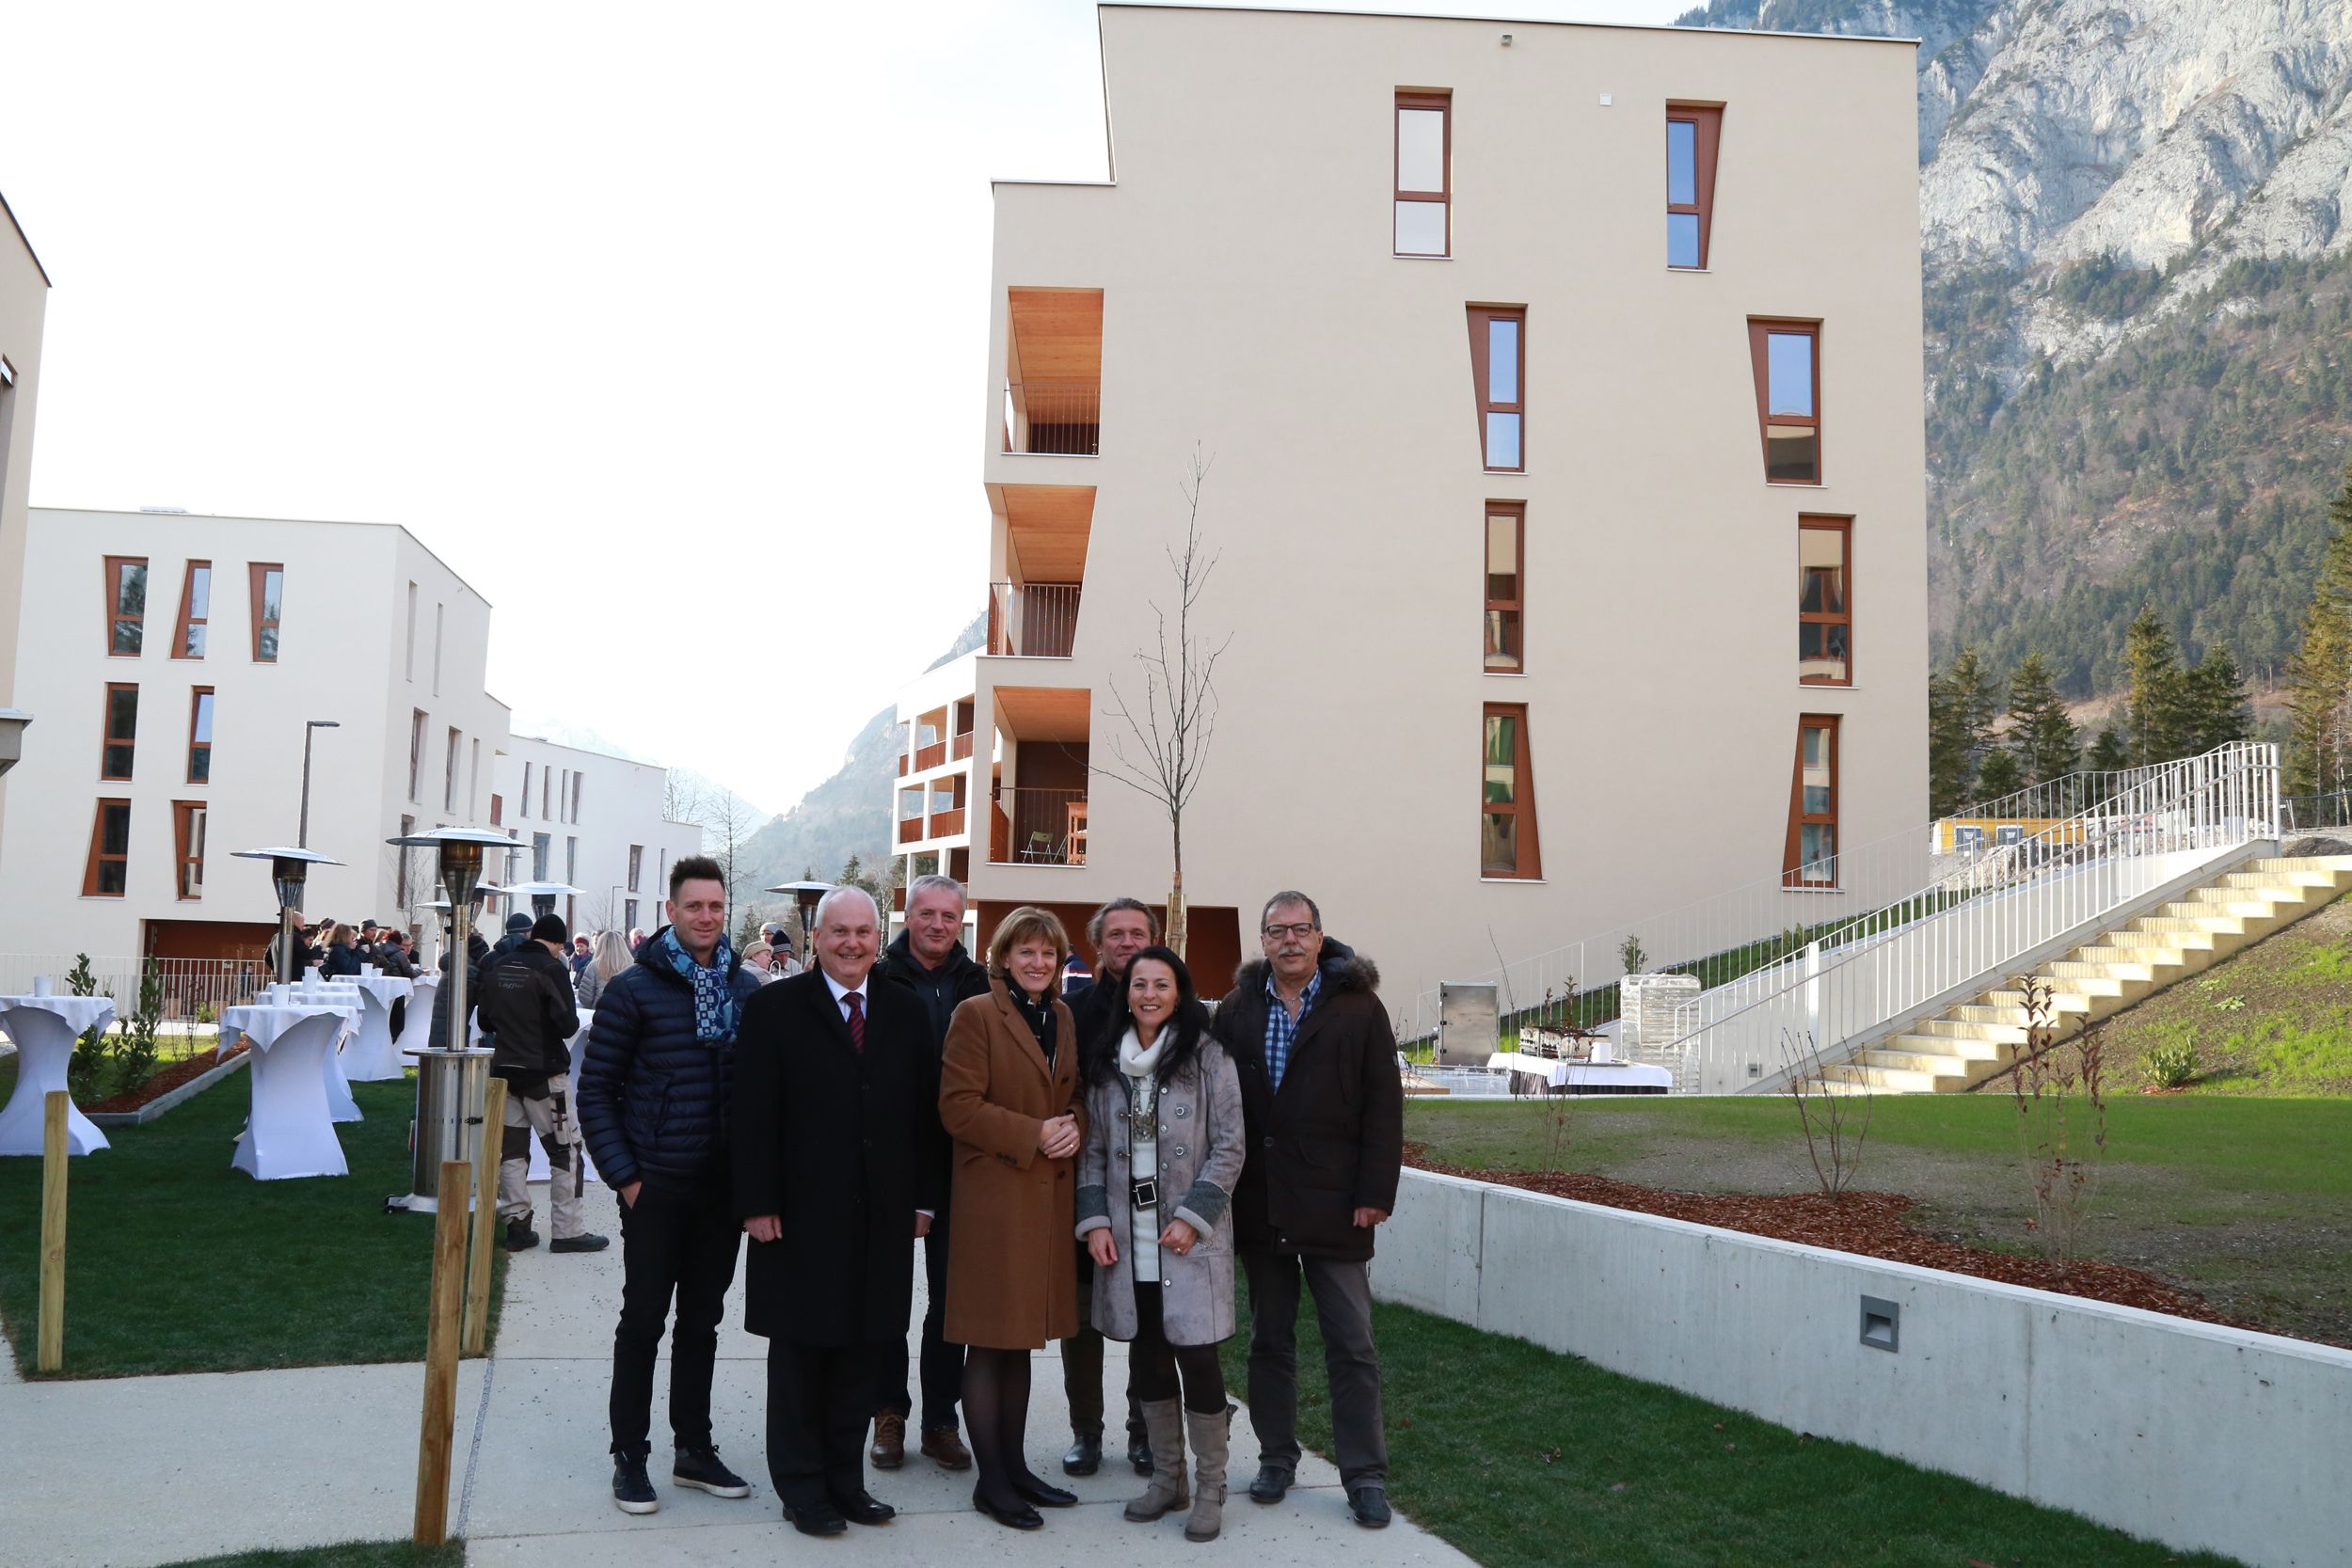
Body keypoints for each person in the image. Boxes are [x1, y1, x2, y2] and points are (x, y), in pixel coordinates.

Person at [734, 886, 948, 1536]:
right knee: (802, 1356)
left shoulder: (906, 1011)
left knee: (862, 1351)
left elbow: (924, 1117)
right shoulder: (774, 1008)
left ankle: (845, 1481)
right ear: (817, 937)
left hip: (880, 1216)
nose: (853, 942)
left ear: (878, 936)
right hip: (797, 1215)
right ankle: (803, 1489)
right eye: (839, 931)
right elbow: (750, 1113)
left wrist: (921, 1199)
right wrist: (757, 1203)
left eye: (864, 931)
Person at [577, 856, 763, 1516]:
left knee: (703, 1322)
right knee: (643, 1321)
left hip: (720, 1190)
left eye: (716, 906)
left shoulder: (746, 987)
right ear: (672, 911)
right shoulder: (634, 990)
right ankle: (630, 1454)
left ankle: (694, 1448)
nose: (707, 917)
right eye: (695, 906)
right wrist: (626, 1179)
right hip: (655, 1186)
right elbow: (596, 1090)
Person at [1211, 892, 1403, 1529]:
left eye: (1301, 929)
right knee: (1270, 1340)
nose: (1289, 939)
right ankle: (1275, 1456)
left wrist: (1375, 1192)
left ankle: (1365, 1475)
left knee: (1352, 1343)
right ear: (1262, 940)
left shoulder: (1358, 1008)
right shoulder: (1238, 1009)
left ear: (1320, 937)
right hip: (1262, 1203)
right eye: (1276, 930)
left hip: (1338, 1205)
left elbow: (1384, 1105)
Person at [1075, 944, 1245, 1542]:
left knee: (1197, 1359)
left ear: (1180, 993)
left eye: (1162, 985)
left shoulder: (1208, 1056)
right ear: (1127, 993)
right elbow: (1093, 1154)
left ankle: (1209, 1486)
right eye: (1139, 984)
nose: (1149, 994)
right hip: (1128, 1238)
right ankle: (1166, 1478)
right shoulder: (1106, 1063)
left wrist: (1194, 1217)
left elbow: (1230, 1147)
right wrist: (1094, 1222)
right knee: (1146, 1355)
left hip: (1185, 1239)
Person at [939, 906, 1085, 1530]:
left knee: (1021, 1338)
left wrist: (1074, 1124)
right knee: (989, 1340)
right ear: (1003, 956)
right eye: (1026, 951)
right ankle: (991, 1481)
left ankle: (1016, 1466)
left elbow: (1073, 1093)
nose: (1037, 961)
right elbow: (957, 1107)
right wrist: (1034, 1133)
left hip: (1046, 1198)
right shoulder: (976, 1014)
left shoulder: (1062, 1015)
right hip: (995, 1199)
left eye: (1048, 953)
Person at [868, 873, 989, 1474]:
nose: (937, 924)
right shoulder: (877, 975)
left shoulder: (981, 983)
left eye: (948, 916)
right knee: (887, 1292)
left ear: (960, 922)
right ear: (907, 916)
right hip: (890, 1157)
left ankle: (942, 1419)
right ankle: (887, 1414)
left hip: (960, 1161)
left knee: (950, 1299)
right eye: (926, 913)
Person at [1060, 897, 1160, 1478]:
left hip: (1152, 1193)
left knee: (1148, 1316)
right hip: (1088, 1186)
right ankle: (1086, 1432)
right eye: (1115, 935)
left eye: (1137, 933)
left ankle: (1143, 1431)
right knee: (1082, 1319)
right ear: (1098, 944)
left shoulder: (1173, 1011)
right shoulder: (1071, 1012)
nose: (1126, 943)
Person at [479, 913, 606, 1255]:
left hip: (504, 1070)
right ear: (558, 943)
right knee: (566, 1152)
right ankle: (567, 1230)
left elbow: (483, 1018)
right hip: (543, 1073)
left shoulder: (499, 965)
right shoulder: (551, 969)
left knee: (513, 1152)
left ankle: (517, 1227)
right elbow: (567, 1024)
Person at [578, 928, 630, 1010]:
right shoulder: (632, 966)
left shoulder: (594, 966)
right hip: (627, 1013)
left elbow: (585, 997)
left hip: (600, 1012)